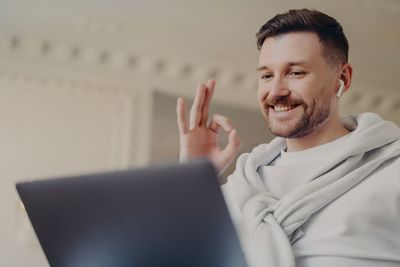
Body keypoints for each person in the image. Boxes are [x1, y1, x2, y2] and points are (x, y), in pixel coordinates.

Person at [176, 8, 400, 267]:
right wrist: (192, 178)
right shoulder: (237, 190)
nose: (276, 91)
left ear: (342, 78)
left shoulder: (393, 170)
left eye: (296, 73)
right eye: (267, 75)